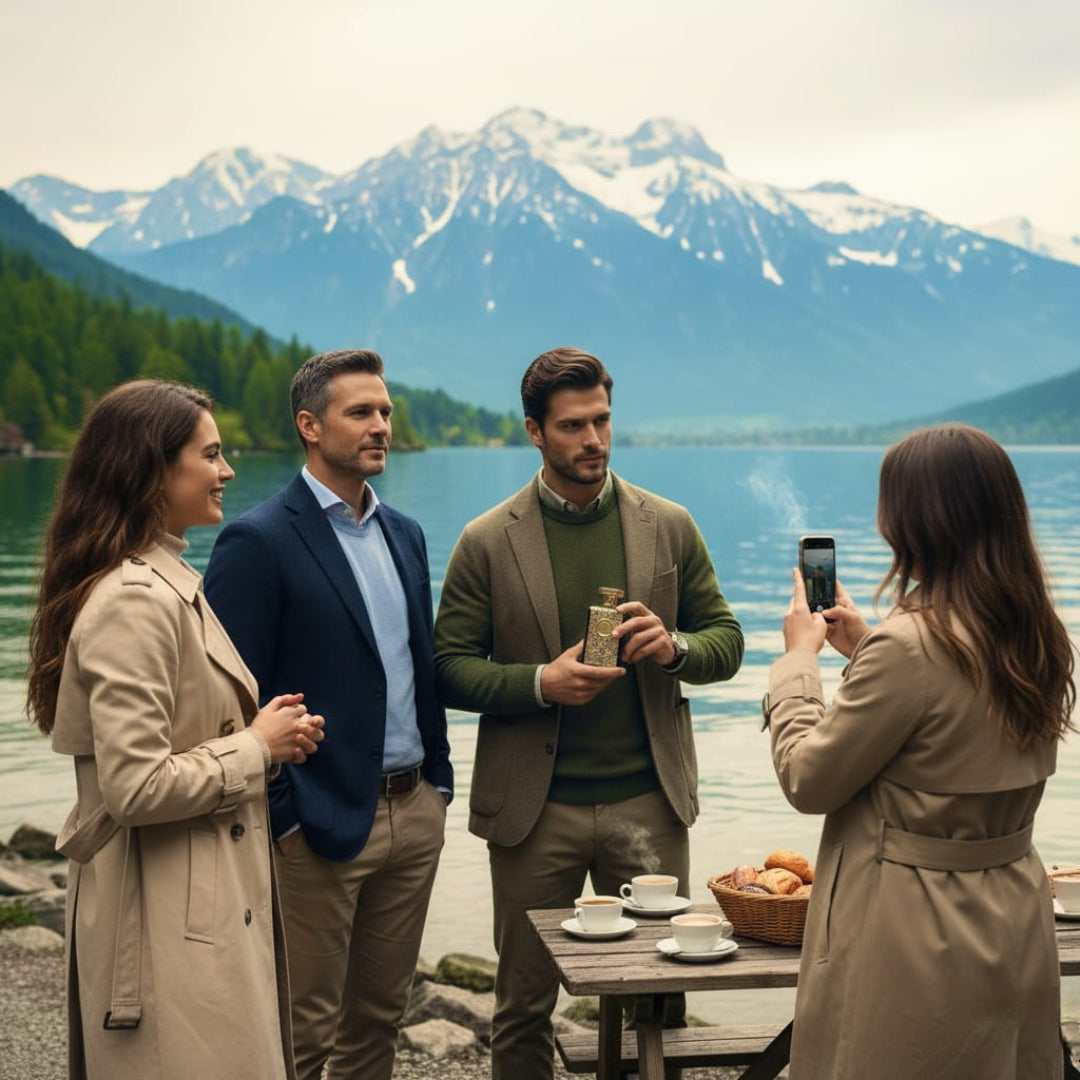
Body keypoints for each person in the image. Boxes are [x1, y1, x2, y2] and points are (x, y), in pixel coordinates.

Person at [434, 346, 744, 1080]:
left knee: (659, 1001)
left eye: (602, 421)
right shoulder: (485, 540)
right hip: (533, 812)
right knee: (521, 1005)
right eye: (573, 426)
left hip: (650, 803)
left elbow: (726, 641)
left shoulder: (668, 524)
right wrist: (541, 682)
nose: (594, 440)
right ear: (535, 433)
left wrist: (673, 648)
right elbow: (447, 668)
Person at [25, 379, 325, 1080]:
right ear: (152, 469)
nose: (226, 471)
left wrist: (262, 735)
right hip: (169, 924)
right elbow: (133, 787)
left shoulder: (163, 578)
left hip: (193, 904)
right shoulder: (135, 599)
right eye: (210, 455)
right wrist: (256, 746)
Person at [765, 424, 1075, 1079]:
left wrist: (799, 664)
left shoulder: (908, 648)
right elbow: (951, 726)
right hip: (1013, 922)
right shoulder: (1035, 633)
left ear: (913, 522)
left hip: (915, 936)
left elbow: (808, 779)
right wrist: (867, 648)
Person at [203, 348, 452, 1080]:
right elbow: (231, 701)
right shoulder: (258, 539)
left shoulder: (403, 533)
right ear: (310, 425)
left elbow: (415, 669)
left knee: (379, 1021)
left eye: (386, 412)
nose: (381, 426)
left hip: (414, 812)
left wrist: (437, 782)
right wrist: (282, 818)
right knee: (299, 1031)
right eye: (361, 413)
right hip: (313, 827)